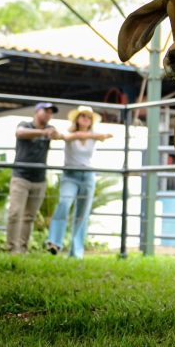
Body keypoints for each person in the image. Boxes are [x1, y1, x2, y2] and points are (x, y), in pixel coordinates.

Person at [46, 105, 112, 258]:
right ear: (77, 118)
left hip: (88, 176)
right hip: (70, 175)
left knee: (82, 214)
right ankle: (54, 242)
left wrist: (95, 136)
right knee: (64, 203)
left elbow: (105, 136)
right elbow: (61, 136)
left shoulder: (94, 134)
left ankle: (76, 252)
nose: (86, 119)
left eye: (89, 117)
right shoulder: (69, 133)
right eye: (83, 116)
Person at [7, 102, 62, 254]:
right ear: (37, 111)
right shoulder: (25, 125)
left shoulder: (50, 129)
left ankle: (22, 250)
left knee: (29, 217)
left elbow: (60, 136)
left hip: (39, 179)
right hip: (21, 177)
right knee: (15, 213)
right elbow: (20, 133)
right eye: (46, 111)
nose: (48, 114)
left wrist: (55, 134)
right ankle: (12, 250)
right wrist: (43, 133)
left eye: (51, 112)